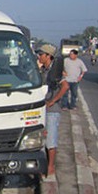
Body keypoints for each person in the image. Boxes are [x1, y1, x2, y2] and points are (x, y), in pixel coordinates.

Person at [36, 44, 69, 177]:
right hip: (42, 108)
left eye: (41, 55)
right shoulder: (43, 70)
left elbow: (65, 86)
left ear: (48, 56)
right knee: (41, 138)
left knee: (51, 139)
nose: (39, 57)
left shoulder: (55, 71)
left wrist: (53, 100)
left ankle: (51, 167)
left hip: (52, 110)